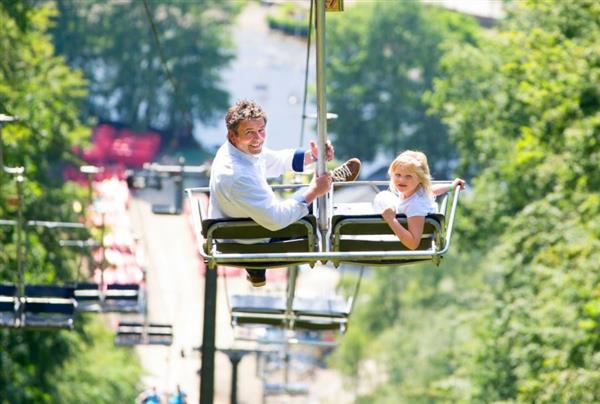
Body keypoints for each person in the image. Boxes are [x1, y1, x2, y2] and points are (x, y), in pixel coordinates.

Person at [209, 99, 361, 286]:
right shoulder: (236, 175)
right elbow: (277, 219)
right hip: (256, 238)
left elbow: (274, 161)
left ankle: (255, 268)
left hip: (241, 228)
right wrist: (314, 190)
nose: (258, 138)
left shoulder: (233, 151)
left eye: (261, 130)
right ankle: (330, 182)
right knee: (321, 206)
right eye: (249, 132)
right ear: (233, 135)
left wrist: (312, 156)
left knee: (308, 194)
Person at [373, 150, 464, 250]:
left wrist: (391, 220)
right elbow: (432, 190)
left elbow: (413, 244)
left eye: (408, 176)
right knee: (384, 196)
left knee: (381, 198)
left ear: (420, 179)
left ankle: (389, 211)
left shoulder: (415, 206)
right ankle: (391, 208)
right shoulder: (416, 190)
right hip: (399, 216)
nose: (401, 180)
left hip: (398, 234)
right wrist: (451, 187)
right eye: (398, 175)